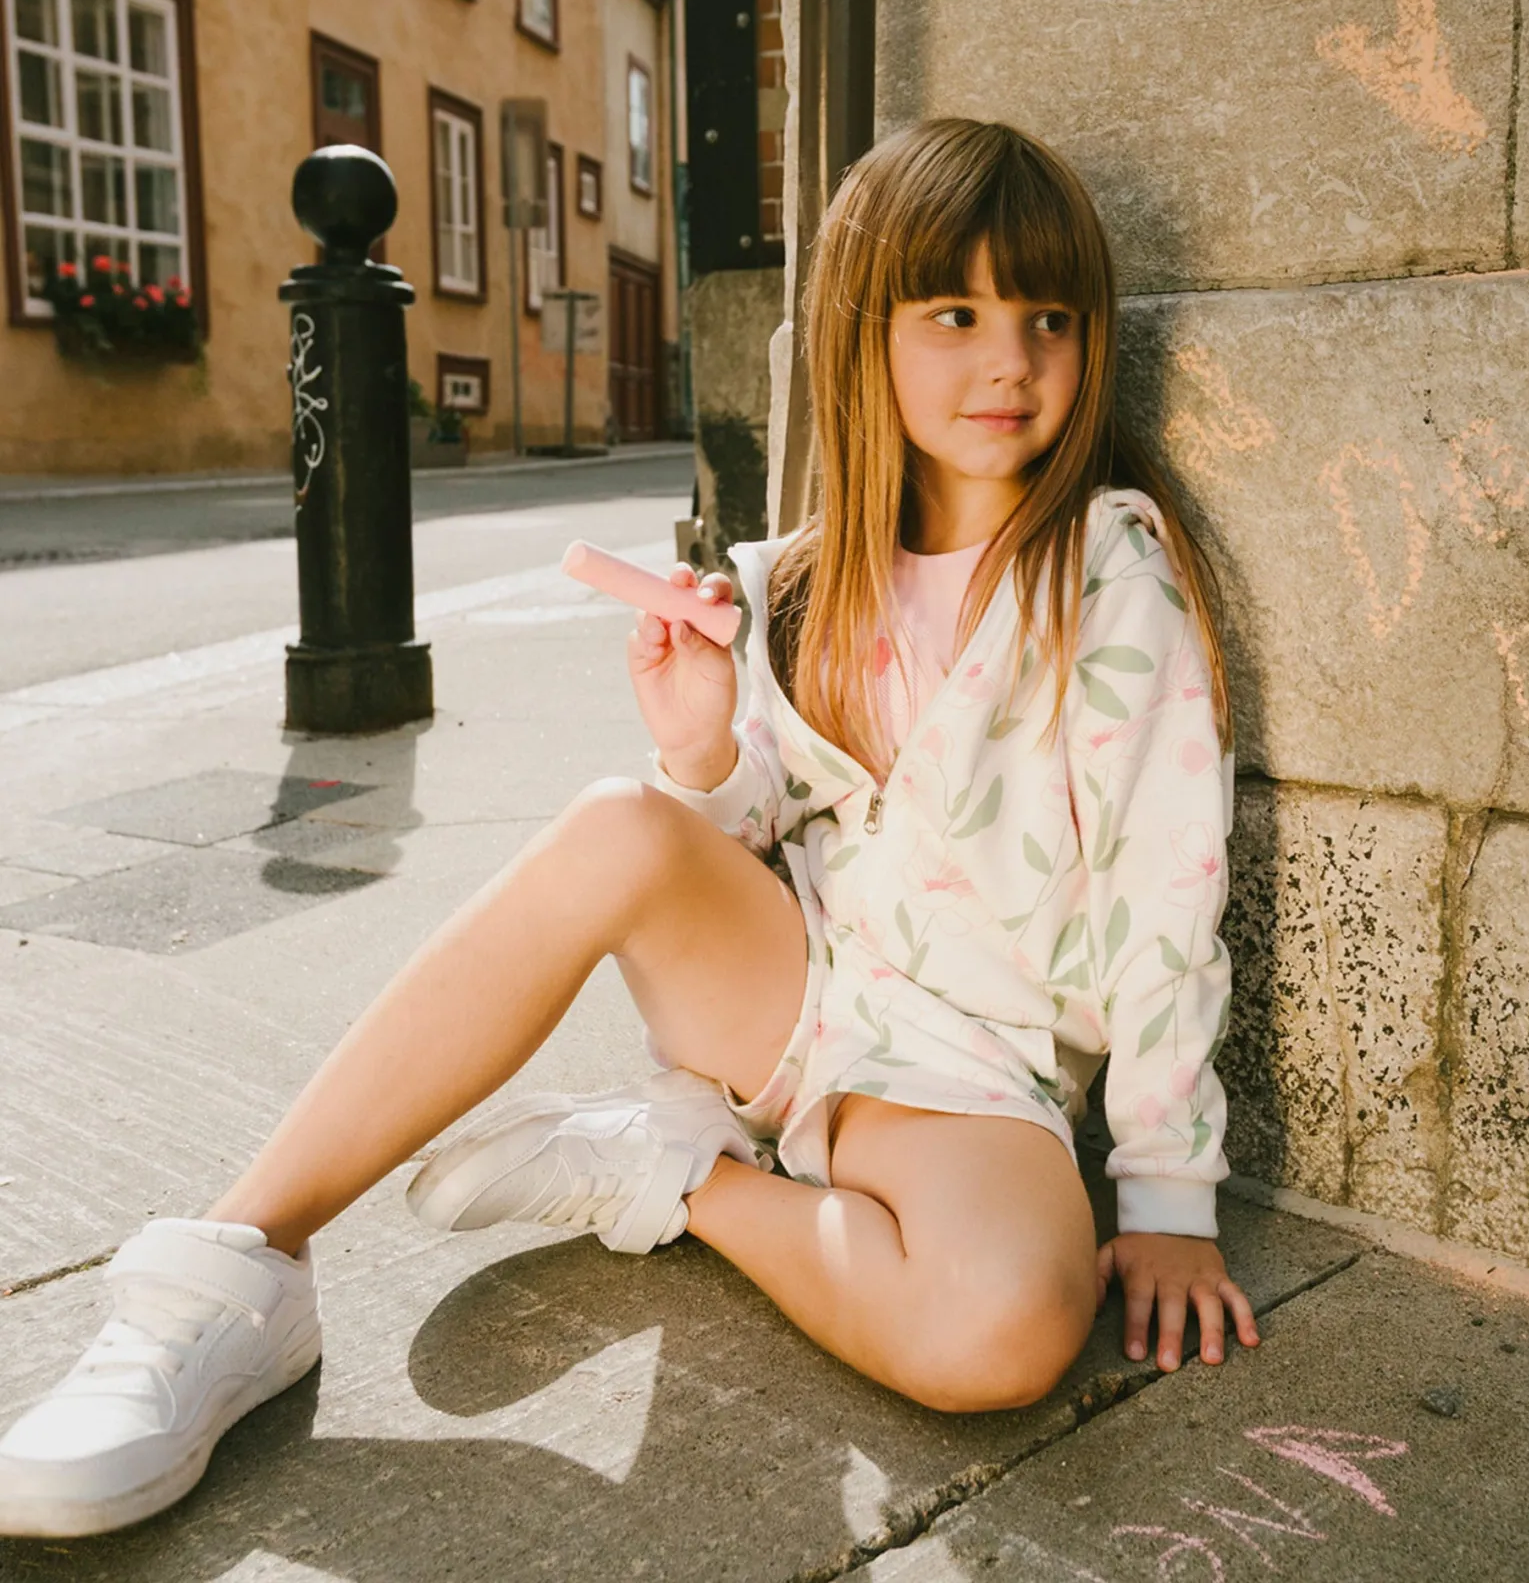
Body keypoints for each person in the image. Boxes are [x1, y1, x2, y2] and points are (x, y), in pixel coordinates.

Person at [0, 117, 1260, 1540]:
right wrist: (701, 741)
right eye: (953, 313)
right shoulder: (795, 578)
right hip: (795, 1008)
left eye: (1049, 316)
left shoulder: (1107, 565)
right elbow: (743, 829)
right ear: (865, 331)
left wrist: (1166, 1194)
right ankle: (227, 1270)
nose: (1011, 359)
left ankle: (672, 1174)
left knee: (1008, 1334)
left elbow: (1169, 885)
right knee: (618, 823)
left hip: (973, 1080)